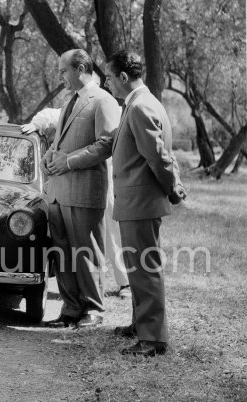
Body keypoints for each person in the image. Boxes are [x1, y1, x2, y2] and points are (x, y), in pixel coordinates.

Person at [105, 49, 185, 357]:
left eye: (110, 78)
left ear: (123, 77)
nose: (108, 83)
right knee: (137, 268)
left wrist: (174, 188)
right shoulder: (141, 102)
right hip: (134, 201)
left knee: (145, 269)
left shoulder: (140, 106)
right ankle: (140, 323)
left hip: (141, 201)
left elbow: (159, 157)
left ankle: (153, 339)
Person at [42, 49, 121, 329]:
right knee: (62, 253)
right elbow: (60, 141)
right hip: (58, 193)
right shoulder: (69, 102)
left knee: (86, 253)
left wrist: (69, 161)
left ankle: (94, 309)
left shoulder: (103, 101)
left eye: (63, 70)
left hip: (84, 192)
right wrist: (50, 154)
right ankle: (71, 308)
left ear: (81, 68)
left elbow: (107, 144)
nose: (60, 75)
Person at [21, 98, 130, 298]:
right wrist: (35, 125)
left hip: (104, 182)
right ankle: (83, 287)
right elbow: (49, 115)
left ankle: (125, 283)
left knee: (112, 233)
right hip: (75, 184)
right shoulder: (68, 113)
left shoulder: (102, 110)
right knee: (80, 237)